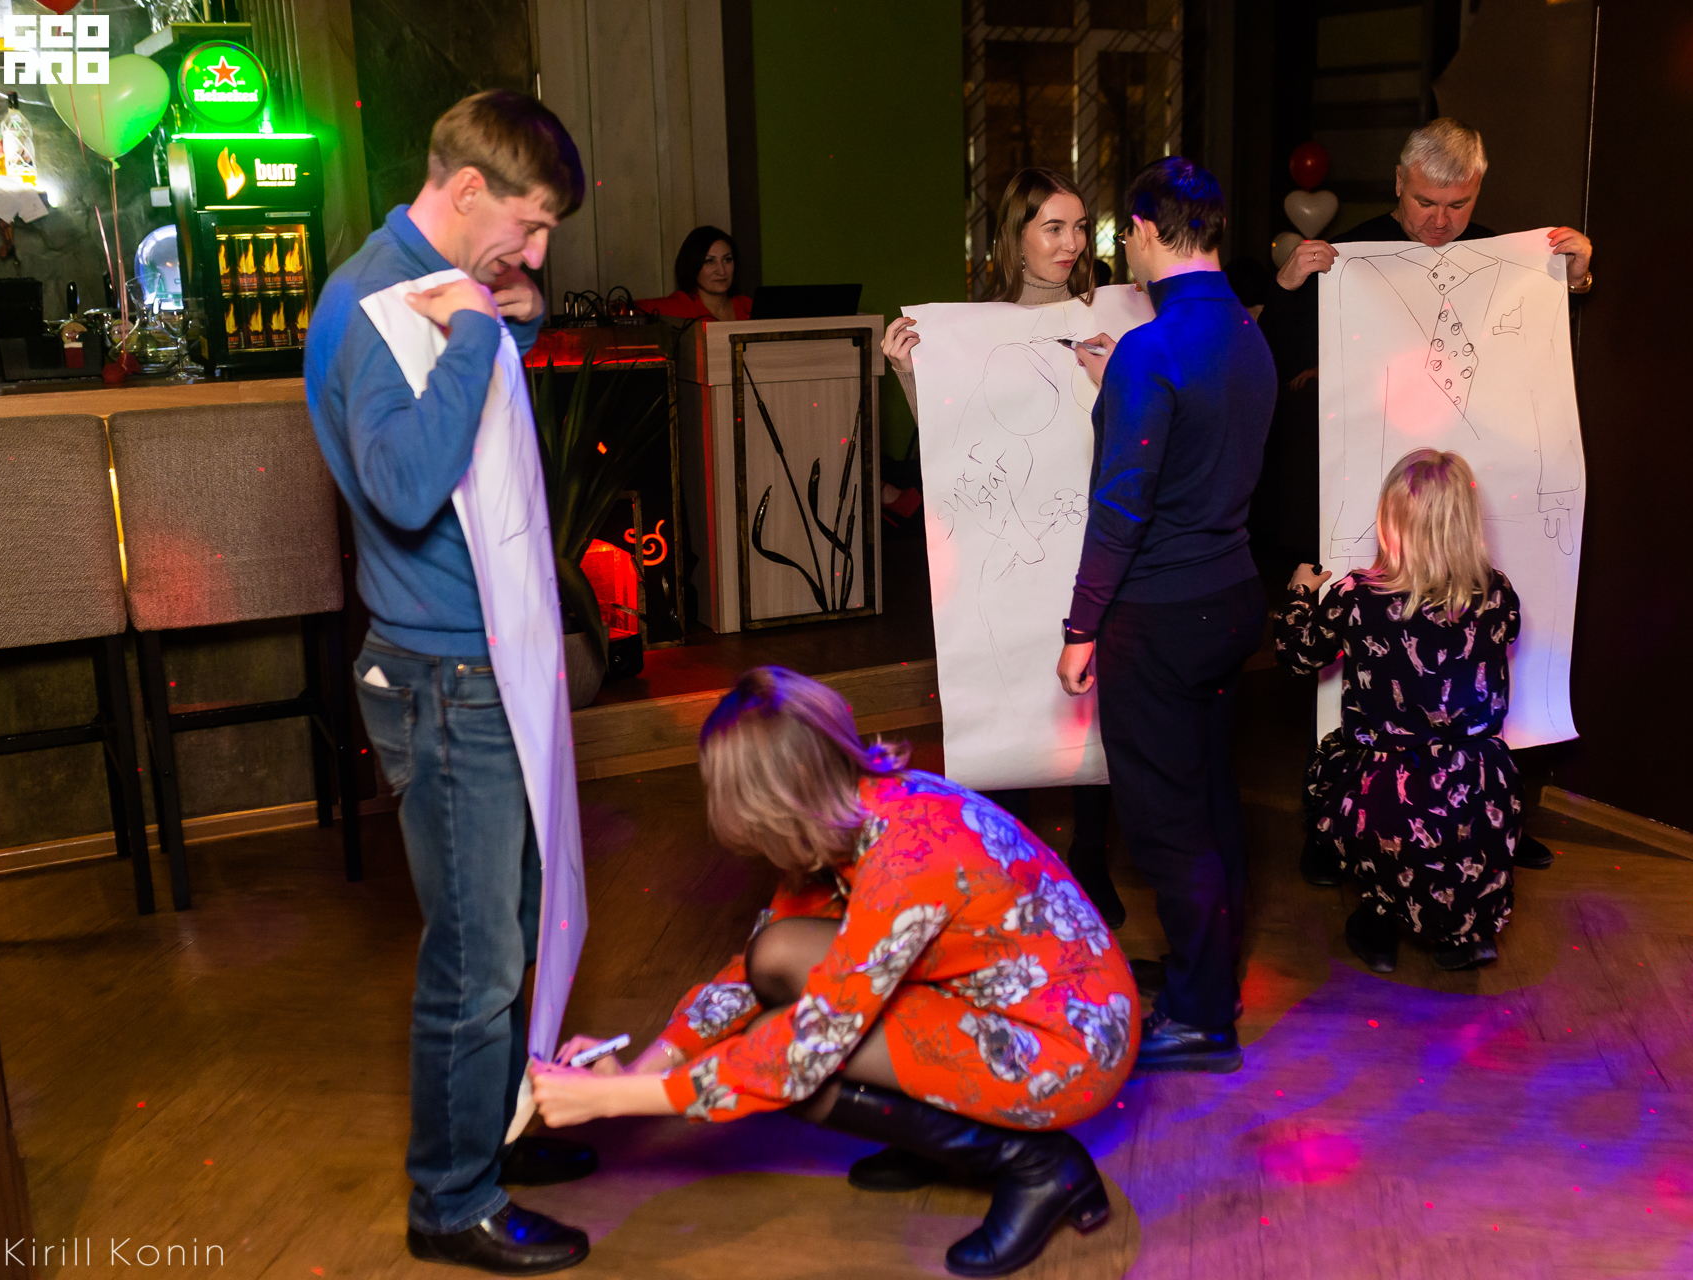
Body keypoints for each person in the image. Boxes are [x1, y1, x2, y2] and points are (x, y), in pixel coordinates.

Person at [528, 666, 1137, 1278]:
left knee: (800, 1070)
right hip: (1002, 1000)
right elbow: (756, 966)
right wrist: (644, 1067)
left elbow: (803, 1051)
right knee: (775, 956)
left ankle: (1038, 1165)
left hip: (1068, 1048)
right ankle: (940, 1139)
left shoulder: (907, 855)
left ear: (787, 790)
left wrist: (616, 1099)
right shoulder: (854, 807)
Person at [304, 90, 595, 1275]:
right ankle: (451, 1198)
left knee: (514, 919)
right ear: (468, 188)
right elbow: (408, 485)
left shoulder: (447, 285)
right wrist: (481, 330)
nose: (535, 254)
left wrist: (506, 319)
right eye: (529, 227)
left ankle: (497, 1128)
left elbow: (475, 451)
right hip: (442, 674)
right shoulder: (374, 303)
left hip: (488, 659)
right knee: (475, 954)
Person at [1266, 116, 1581, 883]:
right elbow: (1274, 362)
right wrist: (1288, 288)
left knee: (1478, 671)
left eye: (1458, 204)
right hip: (1375, 497)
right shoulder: (1350, 253)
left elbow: (1546, 344)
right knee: (1358, 677)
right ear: (1399, 184)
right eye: (1426, 202)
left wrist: (1573, 274)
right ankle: (1336, 823)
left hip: (1474, 504)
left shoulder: (1501, 257)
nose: (1440, 221)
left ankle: (1490, 814)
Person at [1057, 157, 1275, 1073]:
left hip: (1161, 612)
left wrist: (1080, 629)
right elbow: (1201, 440)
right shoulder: (1247, 333)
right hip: (1231, 599)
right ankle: (1208, 976)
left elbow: (1121, 509)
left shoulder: (1153, 349)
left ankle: (1200, 1017)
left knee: (1165, 821)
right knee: (1213, 798)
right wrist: (1126, 381)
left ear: (1145, 231)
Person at [881, 167, 1124, 930]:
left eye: (1079, 227)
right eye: (1053, 227)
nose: (1071, 242)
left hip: (1092, 539)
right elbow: (951, 444)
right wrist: (907, 373)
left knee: (1093, 699)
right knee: (1011, 685)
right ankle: (1008, 864)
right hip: (1013, 553)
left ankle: (1091, 856)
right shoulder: (975, 332)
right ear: (1015, 238)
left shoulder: (1111, 318)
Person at [1272, 449, 1522, 972]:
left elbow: (1298, 657)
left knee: (1335, 764)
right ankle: (1465, 936)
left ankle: (1379, 923)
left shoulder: (1358, 595)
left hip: (1392, 785)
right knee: (1458, 836)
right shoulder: (1496, 592)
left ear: (1392, 520)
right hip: (1481, 782)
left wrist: (1299, 593)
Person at [636, 224, 751, 321]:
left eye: (727, 260)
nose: (722, 271)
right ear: (692, 265)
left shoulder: (747, 306)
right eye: (709, 261)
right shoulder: (679, 307)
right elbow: (630, 309)